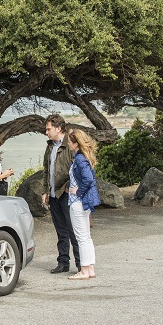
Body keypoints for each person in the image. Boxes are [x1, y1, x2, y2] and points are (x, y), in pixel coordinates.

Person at [39, 114, 80, 273]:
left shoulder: (69, 144)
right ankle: (63, 262)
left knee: (72, 230)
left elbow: (77, 168)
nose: (46, 132)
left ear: (58, 128)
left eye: (48, 129)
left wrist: (68, 186)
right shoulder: (50, 146)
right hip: (53, 194)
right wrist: (45, 190)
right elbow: (46, 170)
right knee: (61, 231)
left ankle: (80, 264)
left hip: (67, 194)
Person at [66, 128, 99, 280]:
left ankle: (84, 270)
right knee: (86, 236)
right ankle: (90, 268)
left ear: (75, 143)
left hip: (78, 202)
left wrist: (77, 192)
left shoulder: (79, 158)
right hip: (83, 202)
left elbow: (88, 179)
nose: (68, 143)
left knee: (81, 237)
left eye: (69, 141)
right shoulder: (83, 156)